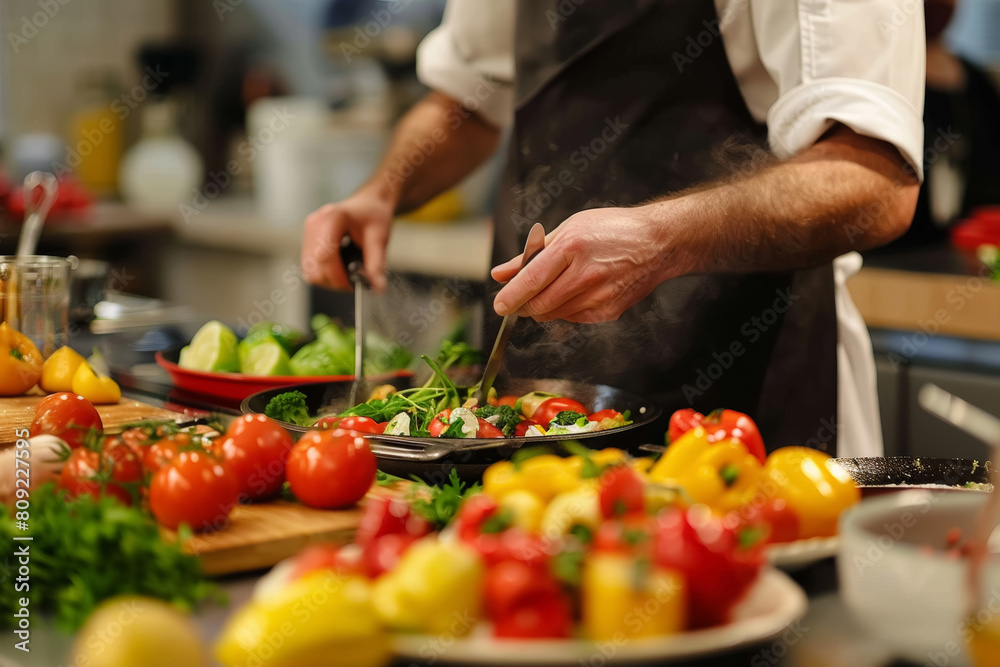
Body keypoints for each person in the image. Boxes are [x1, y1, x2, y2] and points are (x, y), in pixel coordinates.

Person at [301, 0, 925, 457]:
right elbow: (468, 97)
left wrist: (659, 239)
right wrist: (382, 191)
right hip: (531, 402)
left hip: (742, 394)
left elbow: (872, 177)